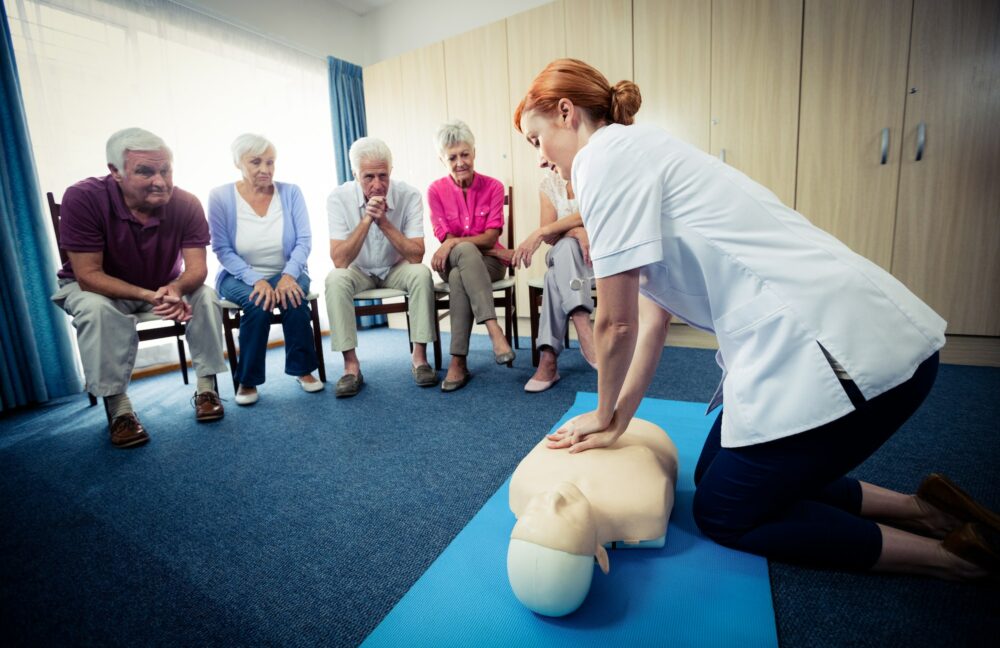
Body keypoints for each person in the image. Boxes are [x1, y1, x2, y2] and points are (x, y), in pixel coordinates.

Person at [512, 58, 999, 580]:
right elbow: (650, 326)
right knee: (712, 474)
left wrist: (602, 412)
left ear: (566, 112)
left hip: (839, 351)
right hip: (826, 336)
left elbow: (617, 323)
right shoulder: (636, 154)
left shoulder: (600, 159)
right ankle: (926, 508)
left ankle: (954, 559)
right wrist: (619, 419)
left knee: (723, 511)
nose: (541, 161)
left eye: (536, 141)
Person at [51, 127, 226, 449]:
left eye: (165, 170)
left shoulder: (186, 203)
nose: (160, 181)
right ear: (115, 172)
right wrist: (150, 295)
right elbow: (88, 275)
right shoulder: (83, 197)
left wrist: (174, 288)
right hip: (99, 290)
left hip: (162, 286)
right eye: (145, 171)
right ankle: (120, 410)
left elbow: (198, 268)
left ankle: (206, 389)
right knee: (95, 309)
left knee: (206, 295)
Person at [507, 417, 679, 616]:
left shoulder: (524, 482)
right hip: (649, 436)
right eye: (565, 517)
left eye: (536, 510)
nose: (554, 498)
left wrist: (603, 416)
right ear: (599, 556)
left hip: (583, 423)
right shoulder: (646, 503)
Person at [208, 133, 323, 406]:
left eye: (270, 162)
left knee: (293, 297)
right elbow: (222, 249)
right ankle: (247, 380)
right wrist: (255, 279)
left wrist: (287, 275)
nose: (265, 169)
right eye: (256, 162)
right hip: (238, 275)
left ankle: (303, 370)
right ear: (239, 163)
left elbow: (304, 241)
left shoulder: (291, 192)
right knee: (257, 303)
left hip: (288, 270)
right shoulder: (221, 197)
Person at [325, 137, 437, 397]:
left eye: (383, 175)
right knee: (335, 279)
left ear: (391, 171)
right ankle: (351, 366)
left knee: (421, 274)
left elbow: (416, 255)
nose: (377, 185)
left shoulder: (409, 195)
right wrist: (367, 219)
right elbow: (340, 260)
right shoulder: (337, 198)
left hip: (395, 268)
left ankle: (419, 358)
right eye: (368, 177)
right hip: (359, 269)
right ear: (355, 175)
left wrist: (384, 222)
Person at [427, 120, 516, 393]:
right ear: (442, 159)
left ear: (474, 152)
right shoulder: (434, 191)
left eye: (465, 154)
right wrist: (455, 244)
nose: (460, 162)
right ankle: (493, 330)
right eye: (452, 157)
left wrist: (455, 242)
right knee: (461, 255)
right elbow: (447, 243)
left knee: (459, 275)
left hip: (489, 265)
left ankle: (458, 361)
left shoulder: (493, 187)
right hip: (452, 260)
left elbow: (490, 237)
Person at [511, 170, 596, 392]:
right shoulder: (549, 184)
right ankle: (582, 323)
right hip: (564, 256)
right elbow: (549, 237)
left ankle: (548, 360)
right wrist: (577, 230)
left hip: (599, 259)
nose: (541, 158)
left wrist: (570, 229)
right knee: (566, 248)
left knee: (553, 277)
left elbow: (597, 218)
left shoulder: (594, 173)